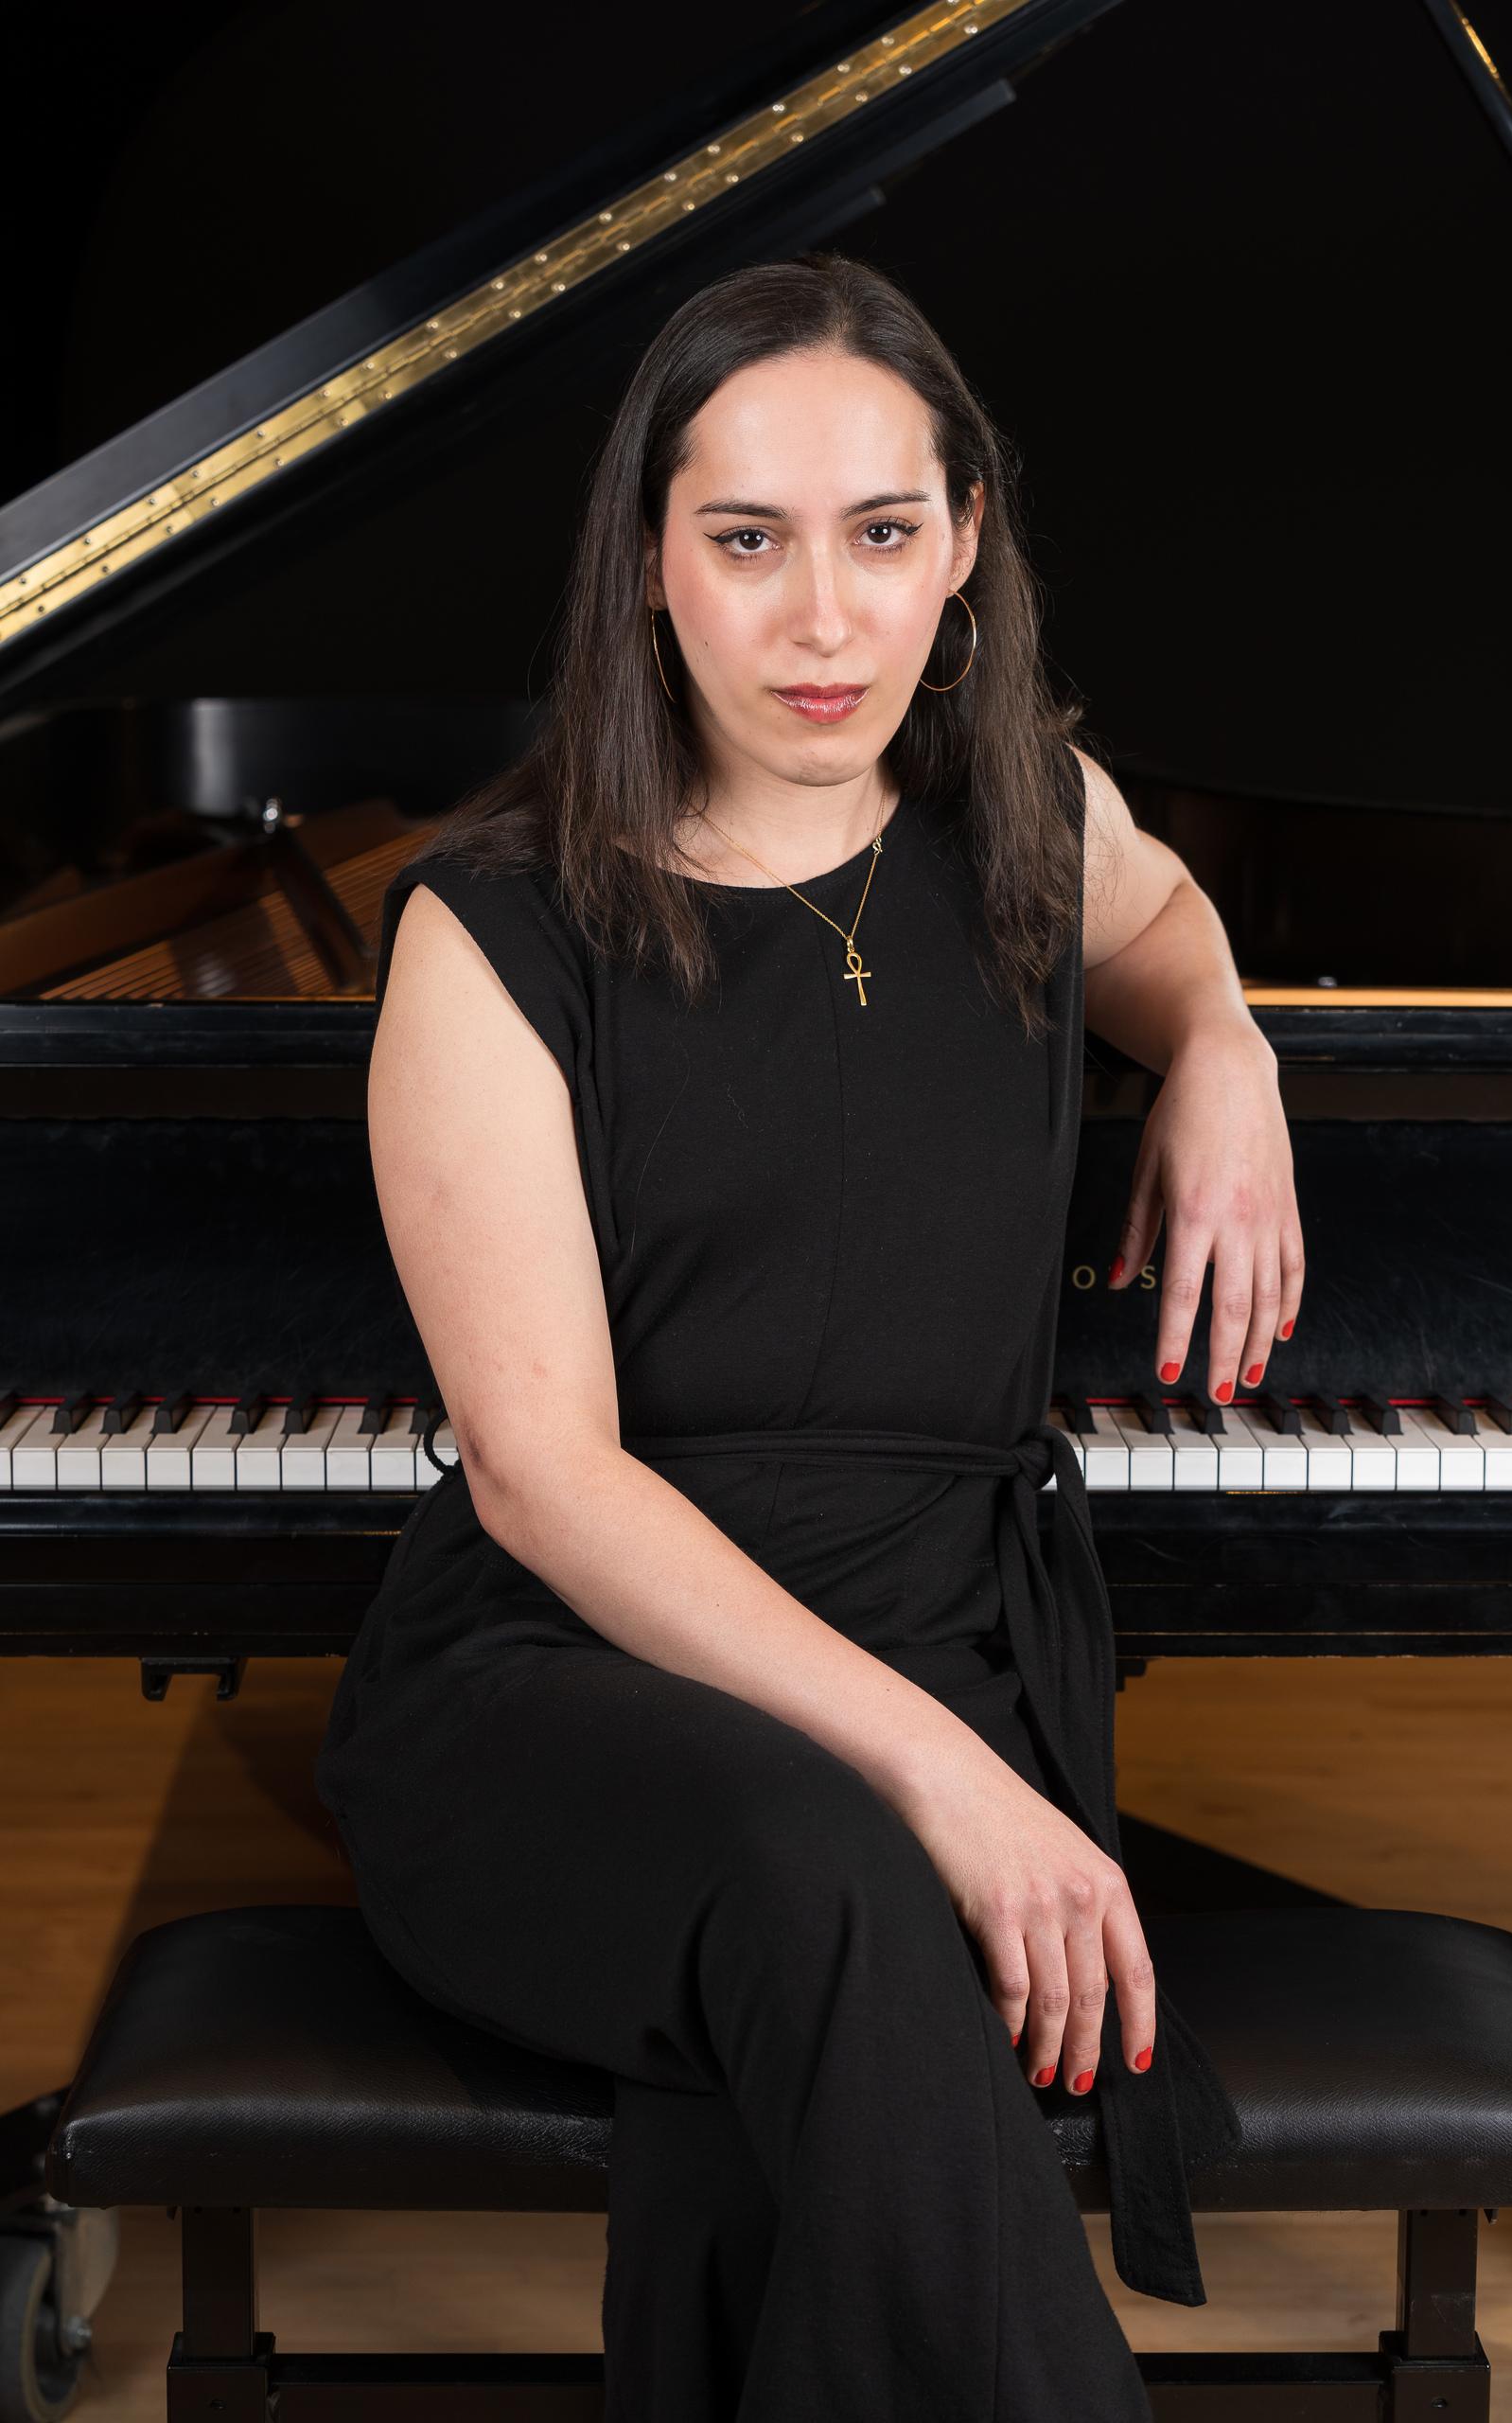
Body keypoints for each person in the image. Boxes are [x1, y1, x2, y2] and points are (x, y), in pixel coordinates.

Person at [314, 249, 1304, 2420]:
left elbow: (1157, 915)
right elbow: (542, 1477)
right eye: (747, 540)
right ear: (646, 559)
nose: (821, 617)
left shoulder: (1031, 824)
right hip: (551, 1693)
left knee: (788, 1980)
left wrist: (1222, 1039)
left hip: (921, 1646)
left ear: (962, 546)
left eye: (878, 533)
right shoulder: (491, 932)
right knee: (826, 1862)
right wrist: (946, 1777)